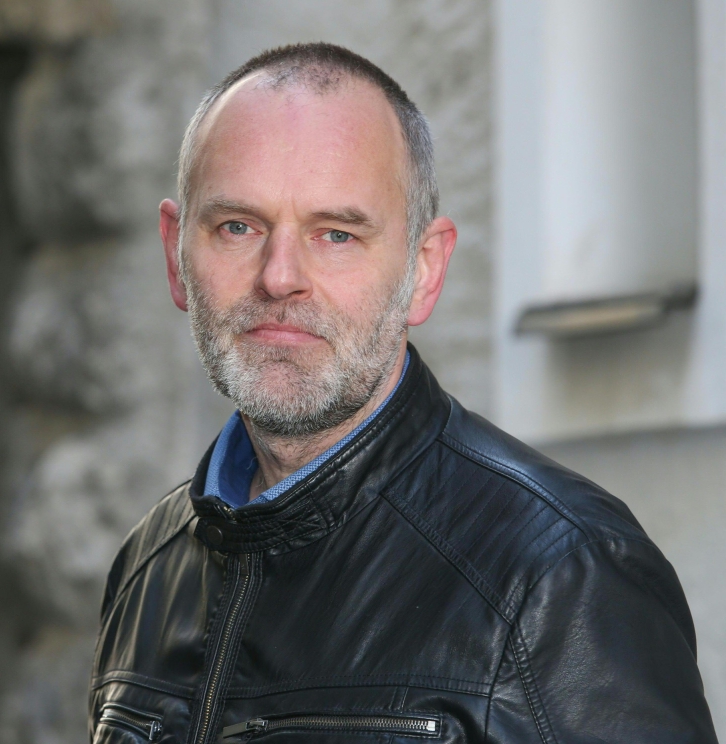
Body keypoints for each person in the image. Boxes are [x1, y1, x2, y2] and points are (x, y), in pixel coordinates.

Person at [89, 43, 718, 744]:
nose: (279, 276)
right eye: (237, 226)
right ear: (177, 253)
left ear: (423, 269)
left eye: (336, 234)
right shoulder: (150, 566)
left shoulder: (561, 575)